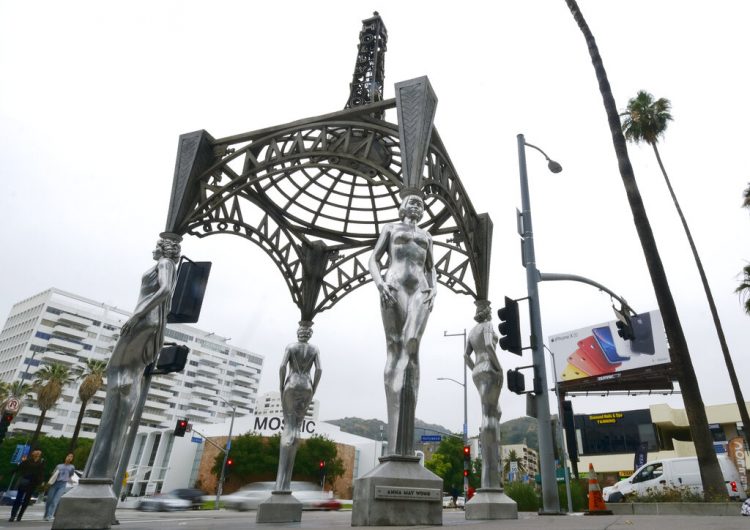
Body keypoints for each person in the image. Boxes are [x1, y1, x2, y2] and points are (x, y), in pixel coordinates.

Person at [86, 236, 181, 480]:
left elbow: (166, 289)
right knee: (123, 375)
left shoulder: (165, 264)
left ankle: (100, 473)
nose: (153, 248)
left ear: (163, 249)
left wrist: (137, 315)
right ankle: (101, 471)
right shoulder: (167, 265)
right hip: (150, 321)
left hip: (145, 320)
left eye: (157, 245)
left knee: (120, 374)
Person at [368, 193, 436, 455]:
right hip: (393, 285)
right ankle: (396, 435)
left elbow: (431, 267)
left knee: (412, 344)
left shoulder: (427, 236)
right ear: (403, 206)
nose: (417, 205)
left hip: (420, 288)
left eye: (421, 202)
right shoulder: (390, 228)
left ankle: (405, 435)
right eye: (412, 201)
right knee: (395, 347)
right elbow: (374, 258)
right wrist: (379, 283)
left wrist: (435, 288)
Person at [274, 321, 322, 491]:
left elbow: (282, 366)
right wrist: (313, 388)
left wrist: (281, 385)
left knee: (289, 427)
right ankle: (286, 483)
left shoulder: (291, 346)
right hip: (306, 385)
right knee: (297, 428)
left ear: (299, 332)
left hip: (292, 384)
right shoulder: (314, 349)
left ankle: (281, 483)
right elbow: (319, 370)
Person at [464, 301, 503, 489]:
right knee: (490, 415)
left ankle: (491, 470)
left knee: (495, 411)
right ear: (487, 313)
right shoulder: (487, 326)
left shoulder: (471, 332)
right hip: (489, 367)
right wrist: (498, 367)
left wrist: (475, 370)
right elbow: (489, 345)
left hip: (477, 370)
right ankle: (489, 479)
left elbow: (465, 356)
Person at [9, 449, 45, 522]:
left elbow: (41, 474)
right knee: (18, 499)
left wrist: (41, 483)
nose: (37, 452)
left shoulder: (41, 463)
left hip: (33, 483)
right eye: (36, 451)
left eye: (39, 451)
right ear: (33, 453)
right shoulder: (27, 461)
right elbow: (18, 468)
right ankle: (13, 515)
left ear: (40, 454)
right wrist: (8, 473)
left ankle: (20, 516)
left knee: (26, 500)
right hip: (24, 481)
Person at [43, 452, 75, 521]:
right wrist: (48, 483)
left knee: (55, 501)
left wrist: (71, 480)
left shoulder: (72, 467)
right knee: (49, 500)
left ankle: (49, 515)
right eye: (68, 456)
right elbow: (53, 474)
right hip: (55, 483)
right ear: (65, 457)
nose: (69, 458)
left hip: (62, 485)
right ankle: (46, 514)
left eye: (71, 457)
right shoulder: (59, 466)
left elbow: (70, 475)